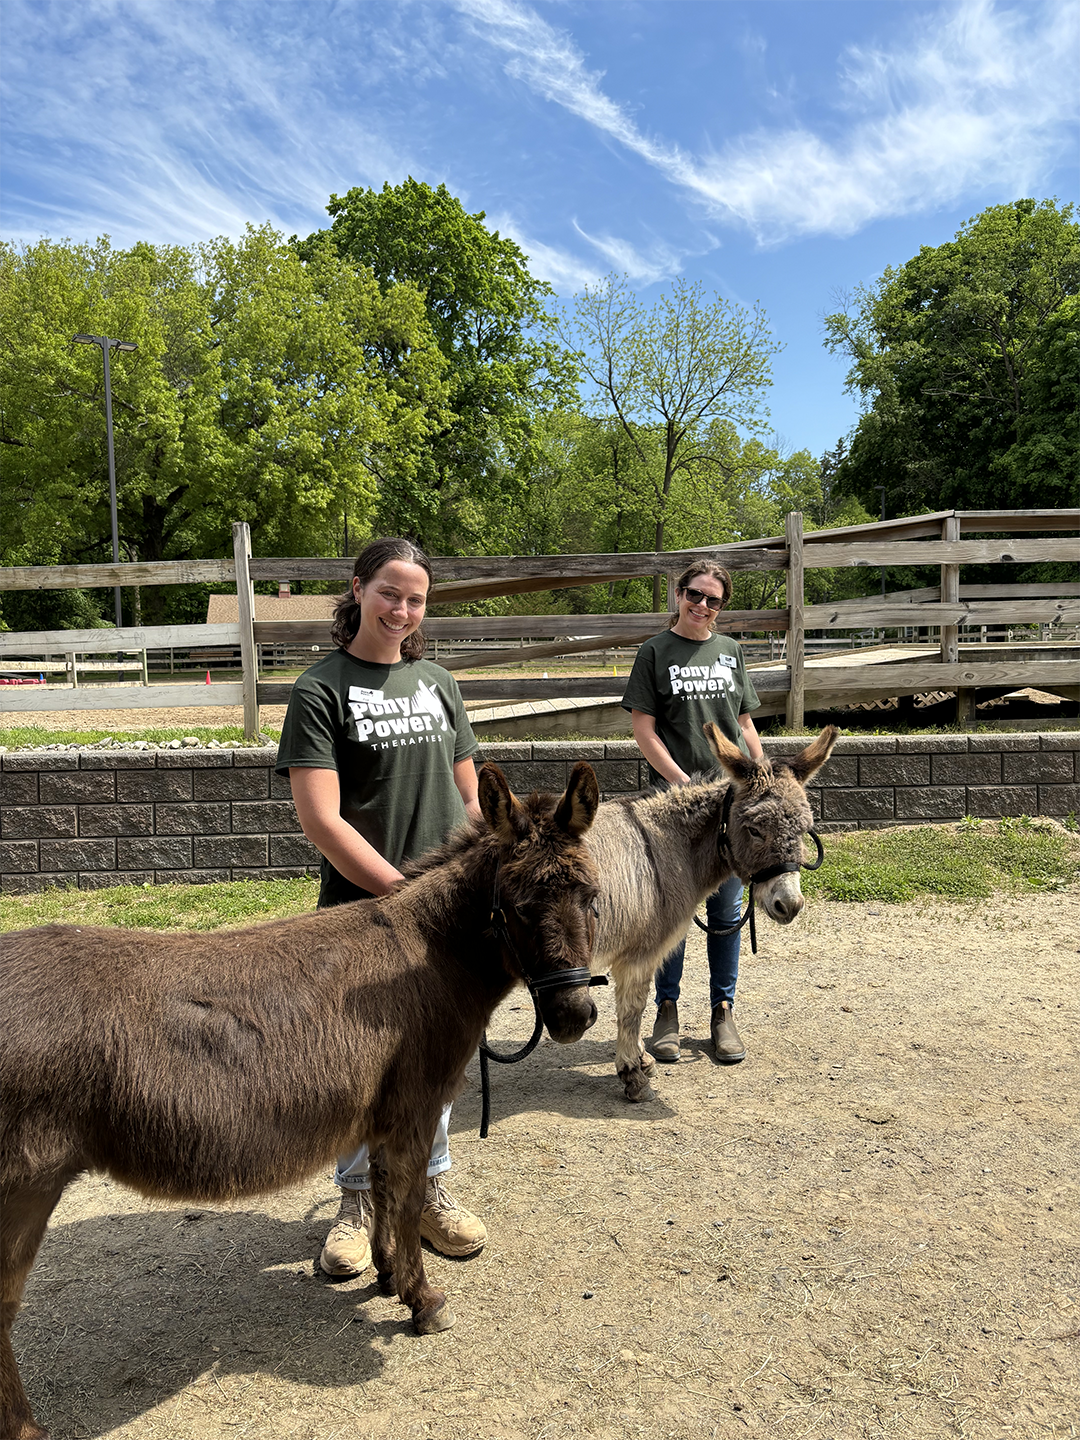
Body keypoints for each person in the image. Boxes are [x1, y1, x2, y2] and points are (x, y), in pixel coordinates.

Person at [275, 536, 487, 1278]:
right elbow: (322, 820)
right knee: (356, 1061)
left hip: (445, 915)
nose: (401, 609)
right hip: (361, 915)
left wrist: (473, 879)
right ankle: (357, 1200)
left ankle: (426, 1191)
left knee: (438, 1056)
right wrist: (404, 895)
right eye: (389, 593)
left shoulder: (438, 683)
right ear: (358, 588)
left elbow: (469, 797)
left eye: (415, 599)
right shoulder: (320, 690)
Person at [620, 560, 763, 1065]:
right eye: (695, 594)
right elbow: (644, 729)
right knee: (673, 913)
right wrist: (682, 784)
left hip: (731, 803)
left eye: (713, 599)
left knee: (726, 911)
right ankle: (667, 1011)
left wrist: (762, 777)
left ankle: (723, 1012)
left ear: (722, 606)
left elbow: (743, 723)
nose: (702, 605)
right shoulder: (654, 652)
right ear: (679, 594)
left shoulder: (730, 652)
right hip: (675, 810)